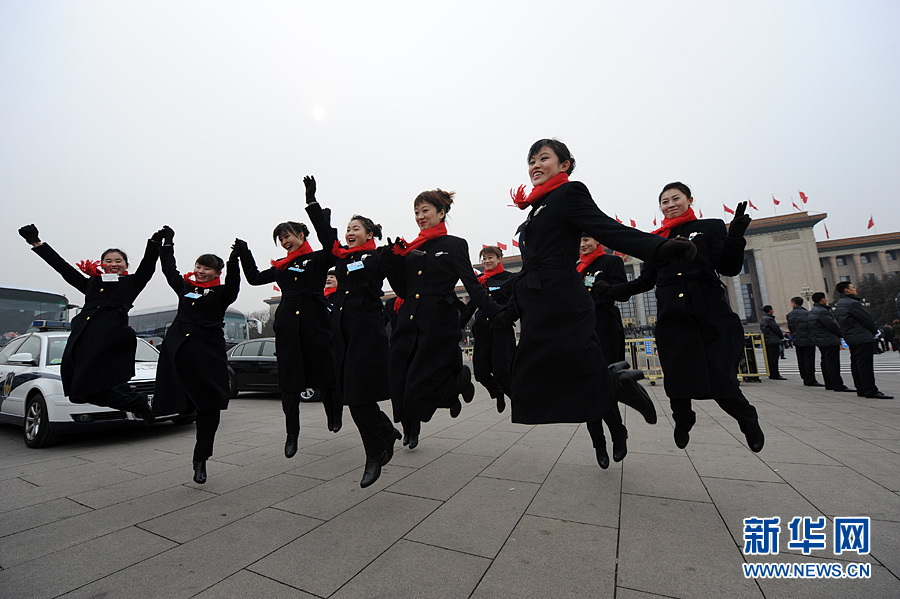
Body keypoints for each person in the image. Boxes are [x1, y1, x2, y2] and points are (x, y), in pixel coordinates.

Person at [501, 140, 692, 460]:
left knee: (548, 374)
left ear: (564, 165)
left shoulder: (569, 193)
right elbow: (530, 266)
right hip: (539, 301)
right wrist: (508, 307)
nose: (535, 165)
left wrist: (656, 249)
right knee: (535, 377)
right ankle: (615, 401)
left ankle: (616, 390)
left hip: (561, 299)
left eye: (543, 158)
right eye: (531, 160)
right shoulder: (536, 209)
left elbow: (606, 228)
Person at [608, 182, 765, 452]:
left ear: (689, 199)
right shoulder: (655, 240)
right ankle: (683, 419)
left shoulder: (711, 226)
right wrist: (610, 291)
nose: (670, 204)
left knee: (721, 378)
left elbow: (729, 266)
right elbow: (644, 282)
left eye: (676, 198)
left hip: (708, 311)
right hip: (673, 315)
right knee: (677, 377)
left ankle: (747, 419)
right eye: (664, 201)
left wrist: (735, 237)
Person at [383, 189, 503, 449]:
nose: (420, 216)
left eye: (425, 210)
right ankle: (410, 428)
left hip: (436, 322)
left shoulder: (454, 245)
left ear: (441, 213)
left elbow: (472, 285)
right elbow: (403, 290)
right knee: (399, 380)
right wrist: (392, 263)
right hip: (408, 322)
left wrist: (496, 311)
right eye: (416, 212)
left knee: (417, 385)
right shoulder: (411, 249)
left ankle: (456, 382)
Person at [234, 176, 341, 458]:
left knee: (325, 372)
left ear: (302, 236)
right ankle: (291, 433)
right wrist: (244, 254)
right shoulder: (281, 268)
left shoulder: (317, 259)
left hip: (315, 322)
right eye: (280, 238)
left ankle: (333, 412)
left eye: (288, 235)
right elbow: (255, 278)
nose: (284, 241)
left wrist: (312, 202)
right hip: (287, 327)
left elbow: (331, 245)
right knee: (290, 382)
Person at [18, 223, 160, 422]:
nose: (113, 263)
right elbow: (63, 268)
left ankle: (135, 402)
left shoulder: (132, 283)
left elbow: (148, 266)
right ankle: (130, 397)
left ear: (126, 265)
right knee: (78, 395)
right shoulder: (91, 283)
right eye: (108, 260)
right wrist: (36, 243)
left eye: (119, 261)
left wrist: (154, 243)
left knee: (93, 389)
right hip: (82, 338)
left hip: (110, 339)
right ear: (101, 264)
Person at [153, 228, 241, 484]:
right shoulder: (185, 287)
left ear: (217, 273)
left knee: (210, 408)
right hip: (179, 350)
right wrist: (168, 244)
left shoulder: (223, 293)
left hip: (208, 354)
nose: (201, 271)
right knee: (173, 395)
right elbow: (169, 269)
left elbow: (235, 282)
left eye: (207, 268)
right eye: (199, 266)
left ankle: (201, 459)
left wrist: (235, 258)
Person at [331, 215, 399, 488]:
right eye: (347, 229)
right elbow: (328, 241)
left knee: (358, 398)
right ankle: (386, 432)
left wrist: (395, 255)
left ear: (369, 233)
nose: (349, 232)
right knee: (354, 397)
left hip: (366, 334)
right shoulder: (344, 258)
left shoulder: (377, 256)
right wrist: (313, 205)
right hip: (343, 334)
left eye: (355, 228)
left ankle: (374, 453)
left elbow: (396, 274)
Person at [577, 235, 629, 468]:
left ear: (598, 241)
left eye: (586, 239)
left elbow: (624, 293)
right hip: (579, 329)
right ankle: (599, 443)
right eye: (578, 240)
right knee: (586, 389)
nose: (582, 244)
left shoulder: (610, 263)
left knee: (605, 384)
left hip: (605, 326)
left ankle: (617, 434)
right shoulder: (574, 268)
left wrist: (607, 290)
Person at [459, 245, 516, 414]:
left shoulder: (511, 279)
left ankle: (518, 401)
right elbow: (470, 307)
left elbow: (516, 302)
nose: (487, 261)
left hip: (501, 330)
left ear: (499, 259)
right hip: (483, 331)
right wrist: (457, 327)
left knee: (502, 372)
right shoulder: (480, 281)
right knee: (481, 372)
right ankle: (496, 392)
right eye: (484, 258)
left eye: (490, 257)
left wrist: (508, 316)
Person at [833, 282, 893, 399]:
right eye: (853, 288)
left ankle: (861, 388)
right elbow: (867, 319)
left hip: (851, 337)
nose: (855, 289)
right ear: (846, 290)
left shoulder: (840, 304)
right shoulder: (852, 303)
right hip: (862, 336)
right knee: (865, 365)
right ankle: (870, 390)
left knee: (856, 364)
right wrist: (875, 331)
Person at [808, 292, 854, 393]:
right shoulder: (822, 311)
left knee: (825, 362)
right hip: (829, 340)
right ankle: (837, 384)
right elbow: (832, 325)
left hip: (820, 340)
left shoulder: (812, 312)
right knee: (832, 363)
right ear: (822, 300)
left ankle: (829, 383)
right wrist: (841, 334)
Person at [786, 297, 822, 386]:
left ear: (793, 303)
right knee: (809, 360)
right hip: (808, 340)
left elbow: (791, 328)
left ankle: (804, 377)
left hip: (797, 340)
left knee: (801, 360)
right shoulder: (807, 313)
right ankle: (811, 379)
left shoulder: (790, 315)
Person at [760, 305, 786, 380]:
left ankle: (771, 373)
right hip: (773, 340)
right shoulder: (769, 319)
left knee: (770, 358)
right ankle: (775, 374)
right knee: (774, 358)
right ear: (770, 310)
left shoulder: (763, 319)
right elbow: (776, 329)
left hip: (767, 340)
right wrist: (781, 336)